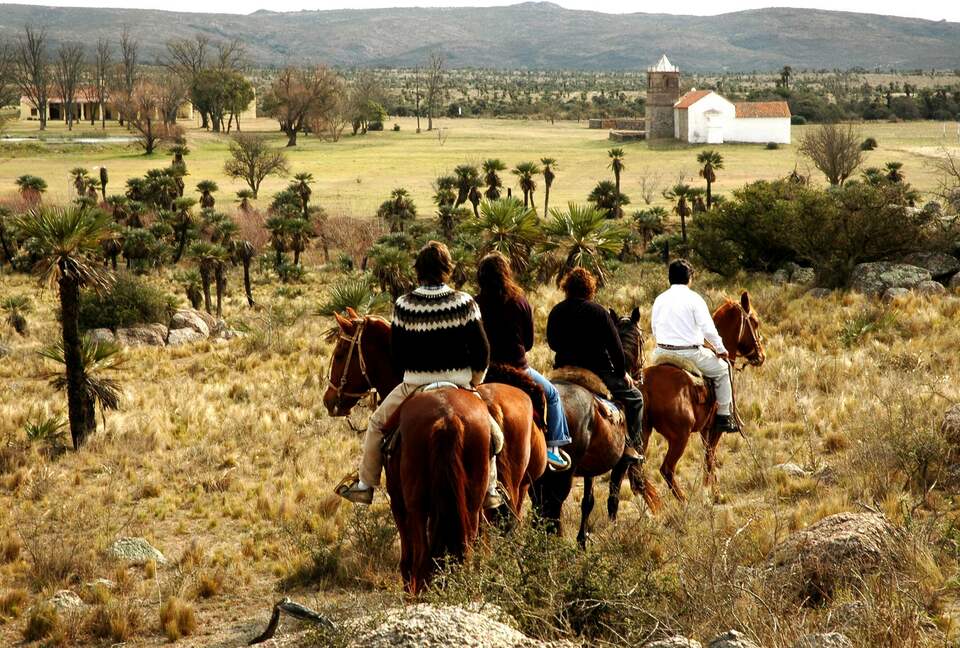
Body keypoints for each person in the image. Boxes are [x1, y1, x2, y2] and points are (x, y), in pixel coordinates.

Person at [337, 241, 501, 506]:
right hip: (459, 381)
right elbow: (482, 350)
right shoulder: (466, 303)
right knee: (492, 432)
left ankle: (365, 485)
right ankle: (491, 489)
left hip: (414, 382)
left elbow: (397, 355)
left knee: (377, 424)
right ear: (447, 268)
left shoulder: (404, 305)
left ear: (419, 270)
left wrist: (412, 373)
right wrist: (475, 380)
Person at [474, 253, 572, 470]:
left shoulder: (474, 303)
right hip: (517, 369)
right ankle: (553, 449)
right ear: (506, 274)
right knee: (553, 395)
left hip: (484, 372)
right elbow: (528, 343)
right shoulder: (519, 301)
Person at [546, 267, 644, 456]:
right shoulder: (598, 311)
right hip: (597, 371)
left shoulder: (557, 310)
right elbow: (615, 347)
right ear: (590, 288)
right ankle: (632, 445)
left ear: (567, 287)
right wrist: (622, 371)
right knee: (636, 399)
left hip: (563, 369)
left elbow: (552, 343)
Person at [650, 259, 737, 432]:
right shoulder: (694, 298)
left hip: (660, 353)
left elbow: (654, 327)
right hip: (689, 354)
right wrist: (721, 350)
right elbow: (708, 330)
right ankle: (724, 417)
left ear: (670, 278)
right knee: (724, 369)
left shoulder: (659, 299)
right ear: (689, 278)